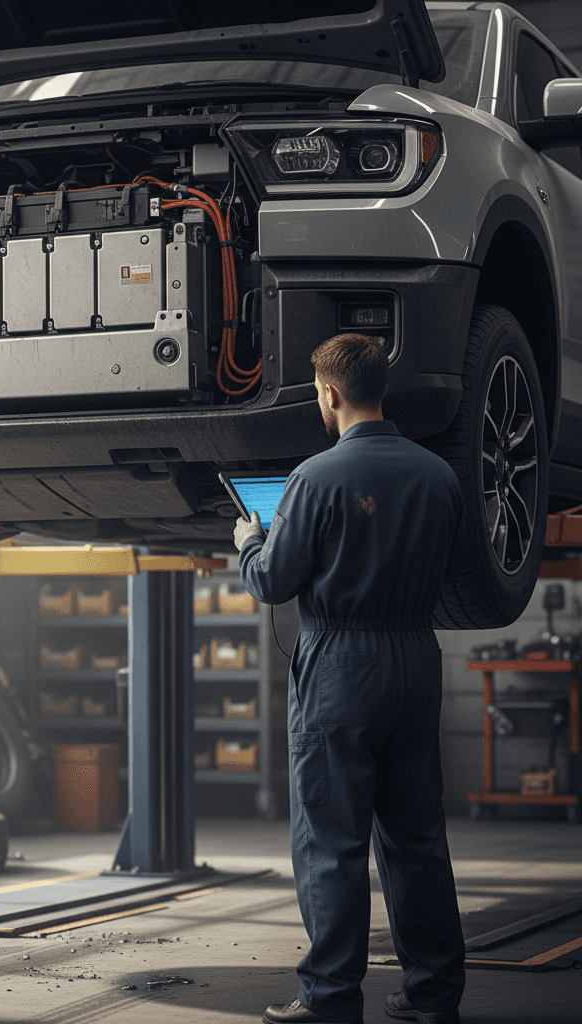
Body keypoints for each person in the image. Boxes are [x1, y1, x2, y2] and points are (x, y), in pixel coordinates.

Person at [233, 333, 466, 1024]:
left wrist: (250, 544)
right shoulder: (438, 475)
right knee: (417, 838)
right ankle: (433, 998)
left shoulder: (315, 477)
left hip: (342, 667)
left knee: (332, 842)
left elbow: (275, 581)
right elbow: (452, 571)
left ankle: (332, 1001)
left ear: (329, 393)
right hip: (416, 659)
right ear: (380, 388)